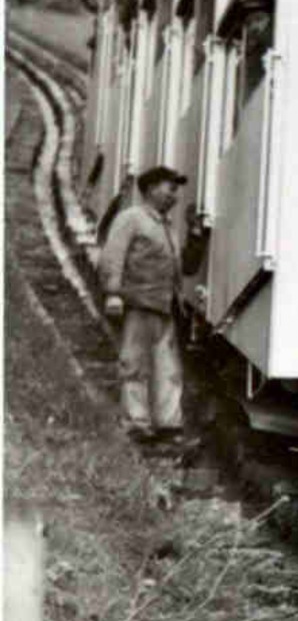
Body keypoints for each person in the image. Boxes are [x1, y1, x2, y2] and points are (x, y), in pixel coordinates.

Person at [99, 166, 188, 445]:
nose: (175, 195)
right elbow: (113, 256)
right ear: (150, 189)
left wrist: (198, 237)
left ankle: (168, 425)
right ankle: (136, 424)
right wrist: (113, 292)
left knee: (168, 369)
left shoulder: (167, 226)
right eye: (170, 188)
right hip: (137, 302)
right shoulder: (131, 218)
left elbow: (181, 266)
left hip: (164, 305)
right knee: (134, 364)